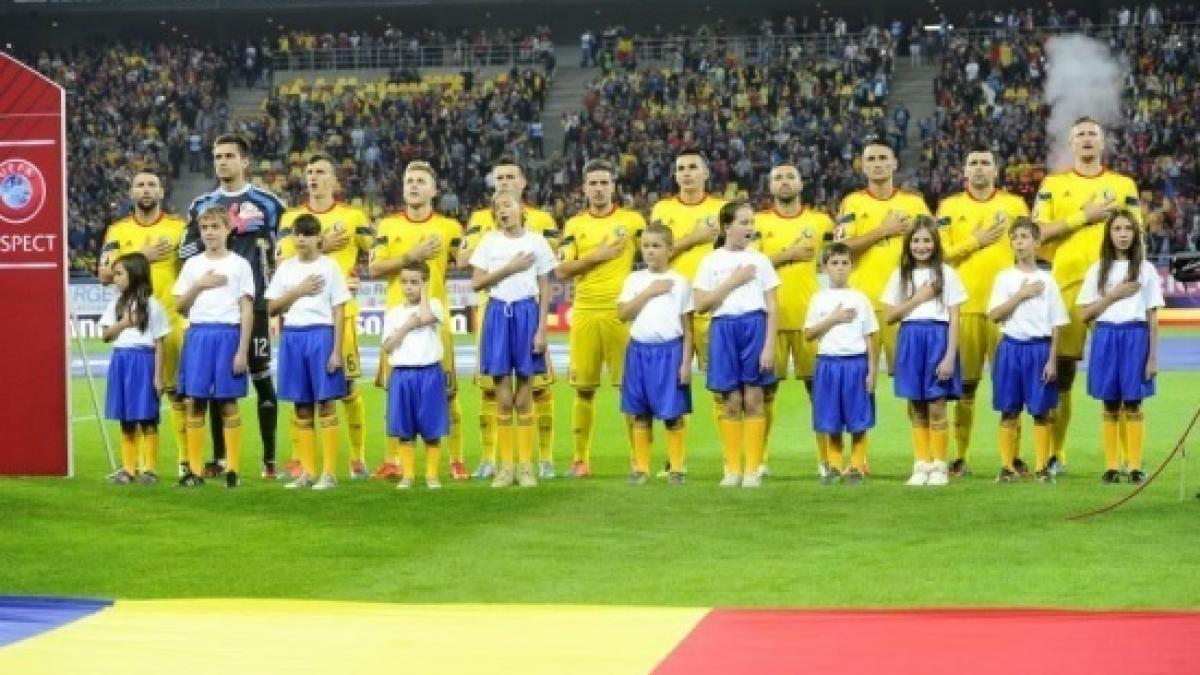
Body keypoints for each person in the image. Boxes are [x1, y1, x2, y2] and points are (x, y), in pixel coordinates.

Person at [1032, 117, 1142, 475]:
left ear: (1103, 142)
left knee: (1121, 375)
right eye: (1080, 134)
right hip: (1066, 288)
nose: (1087, 139)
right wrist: (1085, 216)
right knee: (1061, 373)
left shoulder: (1123, 185)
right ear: (1071, 143)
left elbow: (1137, 233)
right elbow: (1037, 233)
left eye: (1093, 133)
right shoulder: (1053, 184)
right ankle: (1057, 455)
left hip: (1115, 290)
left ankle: (1125, 460)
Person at [180, 133, 284, 479]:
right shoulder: (202, 205)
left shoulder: (268, 203)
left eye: (229, 156)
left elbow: (285, 248)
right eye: (217, 156)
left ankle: (269, 460)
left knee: (261, 377)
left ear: (245, 161)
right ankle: (220, 458)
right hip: (214, 310)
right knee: (214, 385)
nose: (222, 162)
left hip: (254, 306)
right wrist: (220, 235)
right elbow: (184, 250)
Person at [459, 157, 560, 480]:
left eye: (508, 205)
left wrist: (542, 330)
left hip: (527, 315)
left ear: (520, 208)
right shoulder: (489, 242)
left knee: (526, 395)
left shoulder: (536, 241)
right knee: (502, 396)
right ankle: (505, 467)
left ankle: (526, 466)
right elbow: (477, 282)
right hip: (497, 314)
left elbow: (545, 287)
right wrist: (509, 268)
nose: (503, 211)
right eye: (498, 208)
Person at [276, 155, 374, 481]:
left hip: (339, 316)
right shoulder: (291, 218)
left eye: (320, 172)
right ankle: (299, 461)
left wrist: (359, 275)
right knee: (300, 392)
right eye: (309, 172)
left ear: (334, 180)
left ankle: (357, 458)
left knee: (347, 388)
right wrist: (322, 244)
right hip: (300, 317)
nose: (313, 177)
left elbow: (376, 255)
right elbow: (281, 262)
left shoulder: (353, 216)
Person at [367, 161, 465, 481]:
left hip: (434, 322)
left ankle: (456, 460)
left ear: (434, 190)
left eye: (421, 181)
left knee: (448, 393)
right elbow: (374, 269)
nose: (413, 185)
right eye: (409, 180)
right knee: (395, 393)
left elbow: (468, 261)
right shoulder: (388, 225)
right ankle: (393, 460)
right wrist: (412, 255)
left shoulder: (450, 227)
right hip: (397, 321)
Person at [937, 147, 1031, 477]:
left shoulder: (1015, 205)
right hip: (966, 309)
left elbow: (1029, 247)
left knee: (1011, 387)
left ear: (996, 170)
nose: (979, 168)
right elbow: (939, 256)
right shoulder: (949, 207)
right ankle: (959, 458)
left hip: (1009, 311)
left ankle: (1012, 459)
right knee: (966, 388)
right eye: (973, 163)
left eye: (985, 163)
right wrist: (974, 242)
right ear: (965, 171)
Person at [556, 159, 644, 478]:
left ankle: (638, 460)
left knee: (629, 389)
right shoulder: (574, 225)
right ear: (584, 188)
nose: (598, 189)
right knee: (583, 389)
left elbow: (659, 253)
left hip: (621, 314)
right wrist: (598, 256)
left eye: (604, 182)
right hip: (585, 314)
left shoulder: (632, 221)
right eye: (593, 183)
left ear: (613, 186)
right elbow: (562, 270)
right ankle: (580, 460)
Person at [98, 172, 189, 476]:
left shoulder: (179, 228)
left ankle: (184, 462)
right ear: (131, 192)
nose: (146, 190)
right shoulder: (117, 231)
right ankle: (133, 467)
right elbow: (103, 274)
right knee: (135, 400)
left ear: (161, 191)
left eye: (152, 185)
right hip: (134, 330)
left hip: (171, 322)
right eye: (140, 185)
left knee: (177, 395)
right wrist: (141, 257)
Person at [755, 163, 835, 477]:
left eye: (790, 177)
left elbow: (839, 259)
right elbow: (750, 264)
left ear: (801, 183)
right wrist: (788, 255)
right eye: (778, 177)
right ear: (770, 185)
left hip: (810, 320)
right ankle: (759, 461)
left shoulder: (821, 221)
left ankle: (826, 460)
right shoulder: (758, 222)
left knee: (818, 391)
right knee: (764, 393)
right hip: (769, 320)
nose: (784, 182)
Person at [694, 201, 780, 488]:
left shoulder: (761, 260)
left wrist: (769, 345)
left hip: (755, 327)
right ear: (727, 227)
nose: (750, 228)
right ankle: (732, 470)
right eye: (744, 222)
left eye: (752, 222)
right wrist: (733, 281)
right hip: (723, 328)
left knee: (754, 399)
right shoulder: (710, 262)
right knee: (730, 402)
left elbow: (773, 306)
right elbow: (701, 304)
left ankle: (752, 470)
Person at [650, 150, 726, 474]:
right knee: (674, 387)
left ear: (706, 173)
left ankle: (730, 460)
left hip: (712, 308)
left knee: (722, 386)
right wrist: (694, 238)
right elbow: (655, 254)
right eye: (681, 168)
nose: (686, 173)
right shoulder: (663, 210)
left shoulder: (722, 209)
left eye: (693, 167)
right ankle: (675, 462)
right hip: (672, 310)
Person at [266, 214, 351, 490]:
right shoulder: (286, 269)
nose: (301, 239)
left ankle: (329, 473)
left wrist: (336, 351)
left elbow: (339, 310)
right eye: (297, 234)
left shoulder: (330, 267)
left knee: (326, 403)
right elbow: (272, 308)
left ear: (318, 238)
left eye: (307, 234)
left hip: (321, 335)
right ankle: (308, 472)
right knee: (301, 406)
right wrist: (299, 291)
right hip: (292, 336)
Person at [1078, 210, 1163, 484]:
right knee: (1110, 402)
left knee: (1134, 403)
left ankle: (1135, 466)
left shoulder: (1146, 270)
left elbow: (1152, 316)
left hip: (1135, 337)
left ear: (1136, 234)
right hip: (1106, 335)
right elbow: (1084, 314)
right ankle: (1112, 467)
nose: (1123, 234)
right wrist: (1113, 295)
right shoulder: (1097, 270)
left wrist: (1152, 357)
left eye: (1128, 229)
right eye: (1117, 229)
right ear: (1109, 234)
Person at [173, 206, 256, 488]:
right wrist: (199, 285)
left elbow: (247, 310)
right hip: (198, 335)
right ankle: (195, 472)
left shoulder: (240, 265)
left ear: (228, 230)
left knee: (228, 402)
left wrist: (242, 350)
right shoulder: (192, 266)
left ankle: (232, 470)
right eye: (205, 228)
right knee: (195, 401)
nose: (209, 233)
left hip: (228, 335)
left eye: (215, 227)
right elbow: (180, 307)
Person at [881, 216, 967, 487]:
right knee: (916, 405)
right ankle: (921, 463)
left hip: (938, 339)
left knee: (937, 404)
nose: (921, 246)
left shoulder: (947, 273)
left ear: (936, 243)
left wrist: (950, 355)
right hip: (910, 338)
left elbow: (955, 317)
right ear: (908, 244)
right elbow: (889, 316)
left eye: (927, 240)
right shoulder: (900, 275)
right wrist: (918, 298)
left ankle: (939, 465)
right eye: (916, 241)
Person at [838, 139, 932, 379]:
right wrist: (883, 230)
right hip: (863, 303)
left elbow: (935, 247)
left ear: (894, 164)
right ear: (863, 167)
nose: (877, 164)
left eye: (883, 158)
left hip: (906, 302)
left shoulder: (914, 203)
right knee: (860, 378)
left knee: (911, 379)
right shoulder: (852, 202)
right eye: (871, 159)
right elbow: (841, 250)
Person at [986, 218, 1068, 483]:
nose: (1019, 242)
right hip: (1010, 347)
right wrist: (1021, 295)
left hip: (1039, 349)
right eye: (1015, 237)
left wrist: (1052, 360)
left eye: (1024, 237)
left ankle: (1042, 467)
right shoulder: (1004, 278)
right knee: (1008, 409)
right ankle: (1007, 467)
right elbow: (995, 315)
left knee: (1041, 411)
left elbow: (1056, 324)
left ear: (1037, 242)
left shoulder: (1048, 281)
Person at [616, 222, 694, 486]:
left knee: (673, 414)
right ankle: (641, 468)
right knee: (640, 413)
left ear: (670, 250)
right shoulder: (634, 280)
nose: (650, 251)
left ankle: (677, 468)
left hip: (670, 353)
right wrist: (649, 292)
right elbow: (622, 314)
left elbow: (688, 328)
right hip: (638, 352)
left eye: (656, 246)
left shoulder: (680, 282)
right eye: (646, 246)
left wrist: (685, 363)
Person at [803, 243, 878, 485]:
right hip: (828, 363)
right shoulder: (818, 299)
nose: (840, 268)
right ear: (824, 267)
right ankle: (834, 466)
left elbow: (870, 336)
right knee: (831, 418)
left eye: (845, 263)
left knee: (858, 419)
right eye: (834, 263)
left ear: (852, 266)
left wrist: (872, 370)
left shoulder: (860, 299)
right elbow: (809, 334)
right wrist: (833, 319)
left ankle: (856, 465)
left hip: (856, 363)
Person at [100, 253, 170, 485]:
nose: (115, 278)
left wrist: (158, 376)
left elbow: (160, 343)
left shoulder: (153, 306)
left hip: (143, 362)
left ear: (135, 275)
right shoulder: (115, 304)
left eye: (119, 274)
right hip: (121, 360)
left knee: (147, 417)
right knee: (126, 418)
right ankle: (129, 470)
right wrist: (124, 323)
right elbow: (106, 336)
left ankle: (149, 469)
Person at [381, 261, 450, 490]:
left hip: (429, 373)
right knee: (405, 429)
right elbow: (388, 346)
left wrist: (426, 293)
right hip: (402, 375)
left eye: (414, 282)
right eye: (404, 282)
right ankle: (408, 476)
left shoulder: (434, 305)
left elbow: (426, 317)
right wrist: (406, 327)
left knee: (431, 429)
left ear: (425, 284)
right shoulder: (393, 313)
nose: (408, 287)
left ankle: (432, 476)